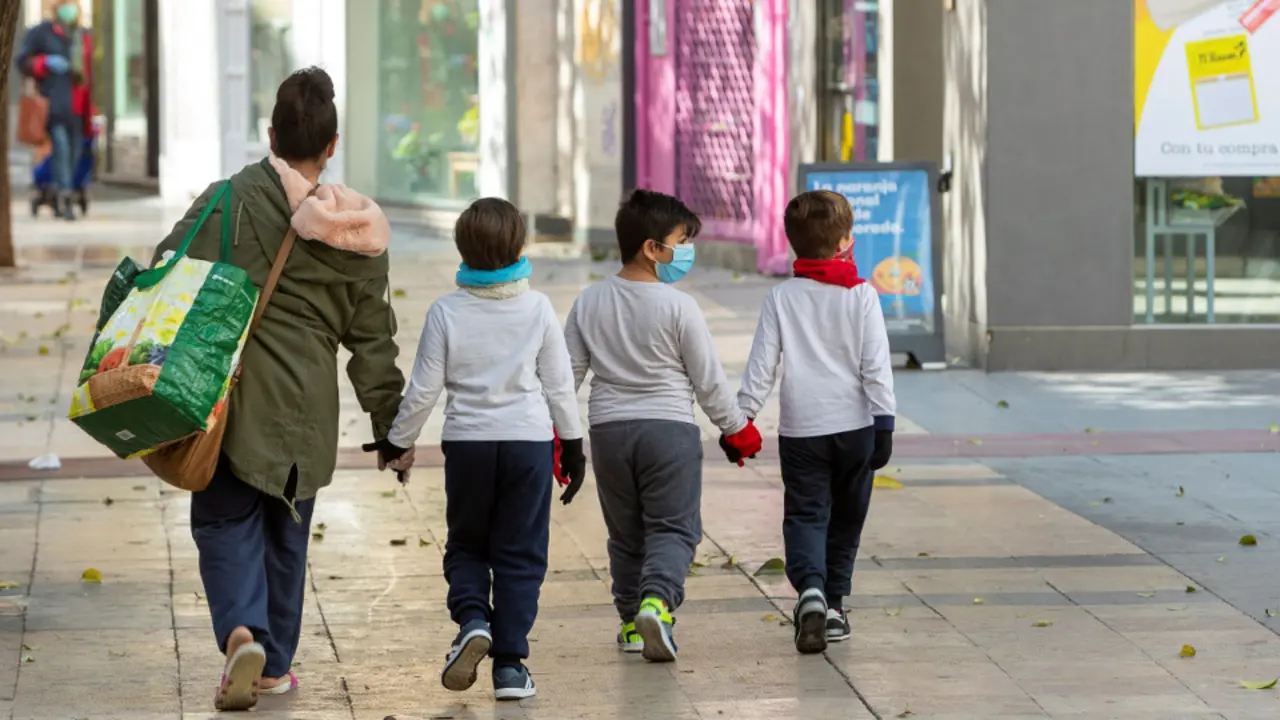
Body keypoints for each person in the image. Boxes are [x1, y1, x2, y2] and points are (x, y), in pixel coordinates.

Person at [151, 67, 406, 711]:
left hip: (231, 402)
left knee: (224, 520)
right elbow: (372, 338)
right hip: (307, 410)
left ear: (271, 134)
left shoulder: (230, 198)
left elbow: (167, 269)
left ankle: (242, 631)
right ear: (332, 144)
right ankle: (273, 666)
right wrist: (389, 426)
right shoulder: (359, 231)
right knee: (287, 533)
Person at [366, 198, 586, 701]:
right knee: (521, 553)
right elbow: (558, 386)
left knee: (467, 543)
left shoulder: (446, 310)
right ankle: (510, 666)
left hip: (467, 446)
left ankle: (471, 620)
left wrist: (398, 442)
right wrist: (572, 447)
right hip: (528, 445)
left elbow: (423, 390)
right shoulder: (537, 308)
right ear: (518, 247)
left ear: (462, 248)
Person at [563, 189, 763, 663]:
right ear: (652, 248)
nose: (687, 250)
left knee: (626, 533)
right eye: (681, 240)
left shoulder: (589, 301)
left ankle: (632, 623)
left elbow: (564, 377)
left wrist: (556, 432)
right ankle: (657, 603)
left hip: (609, 433)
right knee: (674, 529)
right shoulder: (679, 307)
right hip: (669, 431)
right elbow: (709, 381)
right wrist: (736, 431)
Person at [731, 189, 895, 654]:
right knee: (847, 518)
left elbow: (761, 368)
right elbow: (875, 366)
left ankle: (811, 593)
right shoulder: (862, 295)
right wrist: (885, 421)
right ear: (846, 241)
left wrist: (741, 421)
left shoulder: (782, 297)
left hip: (802, 430)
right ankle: (836, 605)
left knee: (805, 514)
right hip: (857, 428)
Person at [16, 2, 94, 220]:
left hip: (80, 107)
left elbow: (90, 72)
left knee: (75, 153)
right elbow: (22, 61)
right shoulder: (41, 33)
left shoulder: (83, 35)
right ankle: (65, 198)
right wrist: (45, 63)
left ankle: (63, 192)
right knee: (60, 150)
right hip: (54, 105)